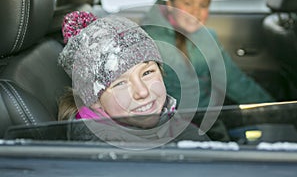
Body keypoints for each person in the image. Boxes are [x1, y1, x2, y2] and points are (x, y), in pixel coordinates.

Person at [57, 11, 211, 145]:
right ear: (94, 100)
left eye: (147, 73)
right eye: (120, 83)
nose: (142, 92)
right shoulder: (106, 150)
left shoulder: (164, 117)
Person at [141, 0, 274, 108]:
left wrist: (272, 108)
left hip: (210, 114)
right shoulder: (151, 41)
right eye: (187, 3)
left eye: (203, 5)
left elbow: (233, 81)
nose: (195, 11)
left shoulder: (207, 37)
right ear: (170, 5)